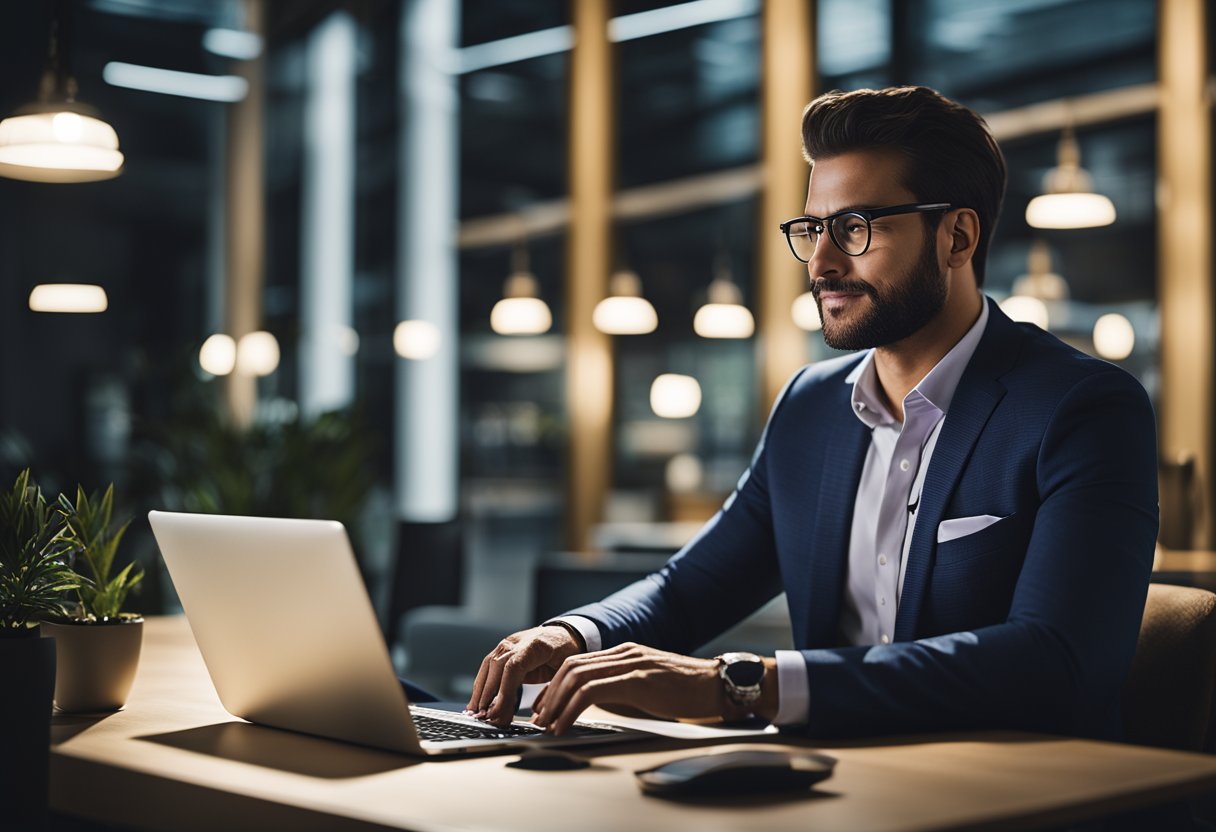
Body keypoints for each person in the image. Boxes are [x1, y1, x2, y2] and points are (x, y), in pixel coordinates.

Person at [466, 86, 1159, 741]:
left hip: (1032, 796)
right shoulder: (811, 407)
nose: (821, 261)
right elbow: (689, 589)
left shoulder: (1081, 409)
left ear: (956, 237)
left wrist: (739, 685)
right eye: (812, 228)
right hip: (837, 787)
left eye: (854, 227)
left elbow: (1056, 661)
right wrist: (572, 635)